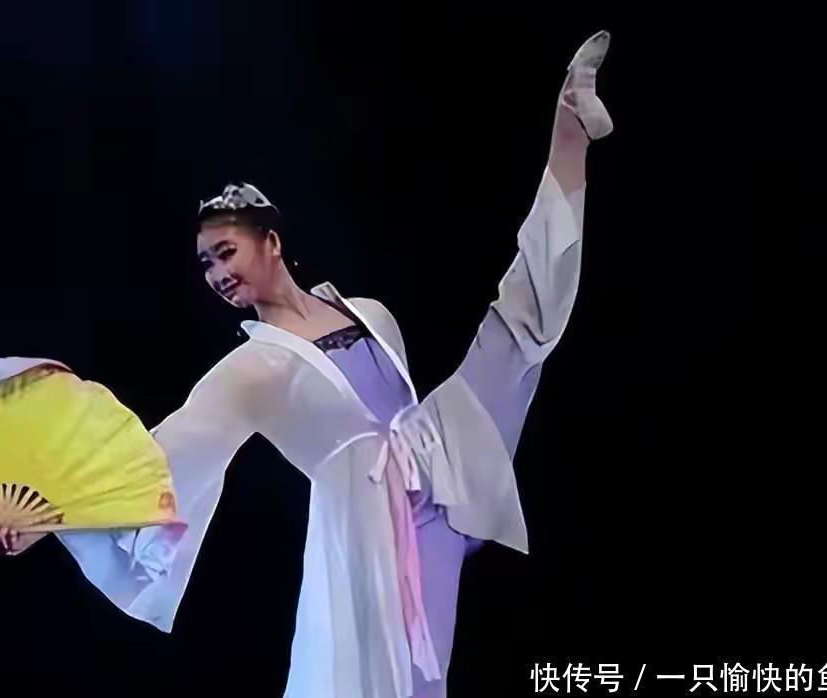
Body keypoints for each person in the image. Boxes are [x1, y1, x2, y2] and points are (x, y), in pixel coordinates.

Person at [45, 30, 614, 698]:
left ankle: (570, 130)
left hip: (437, 458)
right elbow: (161, 458)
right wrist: (46, 516)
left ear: (271, 241)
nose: (217, 274)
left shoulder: (368, 312)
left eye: (225, 253)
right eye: (205, 264)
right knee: (400, 682)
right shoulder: (250, 370)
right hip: (368, 526)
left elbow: (402, 404)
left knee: (519, 324)